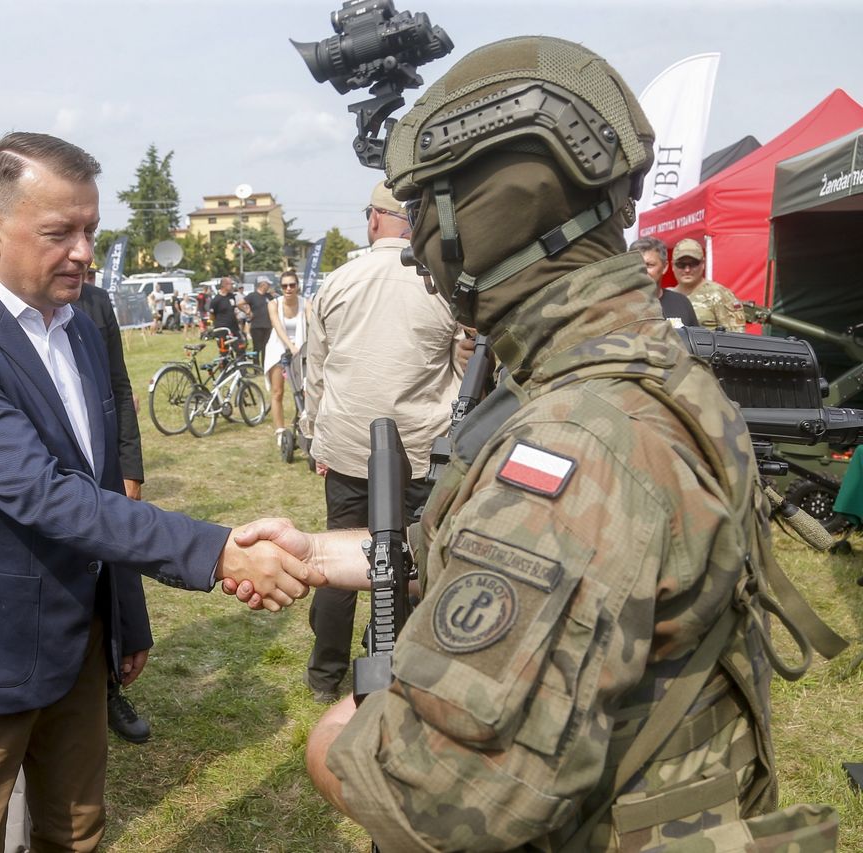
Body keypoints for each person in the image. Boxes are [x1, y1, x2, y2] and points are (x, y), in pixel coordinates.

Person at [229, 35, 822, 851]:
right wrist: (332, 553)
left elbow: (438, 802)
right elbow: (519, 552)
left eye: (427, 207)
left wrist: (335, 737)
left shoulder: (578, 443)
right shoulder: (641, 366)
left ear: (468, 224)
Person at [0, 132, 320, 851]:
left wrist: (125, 618)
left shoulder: (87, 327)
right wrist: (217, 550)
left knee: (77, 830)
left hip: (79, 643)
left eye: (91, 229)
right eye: (60, 232)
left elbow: (101, 486)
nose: (85, 252)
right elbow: (45, 495)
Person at [300, 181, 463, 704]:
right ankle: (405, 665)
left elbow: (316, 373)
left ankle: (325, 674)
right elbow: (466, 368)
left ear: (374, 219)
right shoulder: (441, 285)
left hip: (349, 446)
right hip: (421, 450)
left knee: (339, 557)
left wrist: (314, 439)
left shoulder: (337, 282)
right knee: (412, 558)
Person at [75, 267, 152, 745]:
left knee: (112, 575)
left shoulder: (96, 301)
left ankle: (109, 689)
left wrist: (130, 467)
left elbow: (120, 388)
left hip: (102, 469)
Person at [263, 270, 307, 446]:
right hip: (278, 349)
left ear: (297, 286)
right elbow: (278, 327)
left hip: (301, 350)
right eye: (284, 286)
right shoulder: (274, 304)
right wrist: (290, 347)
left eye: (292, 285)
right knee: (278, 392)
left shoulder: (306, 303)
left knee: (306, 390)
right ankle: (280, 431)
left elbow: (313, 321)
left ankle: (306, 424)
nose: (288, 289)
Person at [671, 237, 747, 330]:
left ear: (703, 263)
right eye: (681, 265)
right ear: (672, 265)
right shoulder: (667, 296)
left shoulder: (719, 295)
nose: (687, 270)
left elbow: (736, 337)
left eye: (693, 264)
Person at [630, 235, 698, 327]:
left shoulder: (682, 303)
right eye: (637, 265)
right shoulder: (618, 305)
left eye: (649, 265)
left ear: (665, 267)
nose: (643, 270)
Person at [245, 276, 274, 355]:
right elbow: (240, 303)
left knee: (266, 348)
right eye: (268, 284)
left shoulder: (269, 296)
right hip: (256, 326)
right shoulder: (252, 295)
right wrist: (247, 311)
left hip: (267, 326)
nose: (269, 286)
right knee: (257, 348)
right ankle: (256, 366)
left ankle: (265, 366)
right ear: (263, 285)